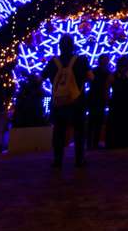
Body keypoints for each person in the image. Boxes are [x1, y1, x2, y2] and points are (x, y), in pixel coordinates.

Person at [41, 34, 92, 169]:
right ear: (73, 45)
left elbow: (42, 77)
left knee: (58, 131)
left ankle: (58, 160)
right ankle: (79, 160)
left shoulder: (53, 62)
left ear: (60, 46)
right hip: (77, 102)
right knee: (79, 131)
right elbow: (91, 77)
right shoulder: (81, 60)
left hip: (58, 102)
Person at [86, 54, 112, 149]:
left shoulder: (93, 71)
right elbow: (107, 87)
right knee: (97, 121)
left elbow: (89, 81)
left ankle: (90, 143)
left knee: (92, 121)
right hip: (100, 98)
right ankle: (94, 143)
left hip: (93, 97)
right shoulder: (108, 72)